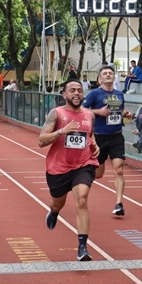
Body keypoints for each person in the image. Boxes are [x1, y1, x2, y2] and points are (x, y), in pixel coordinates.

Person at [39, 80, 100, 262]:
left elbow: (89, 134)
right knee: (58, 203)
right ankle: (54, 211)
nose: (77, 93)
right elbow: (41, 140)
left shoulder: (89, 115)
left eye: (80, 90)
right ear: (64, 94)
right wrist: (61, 132)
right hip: (58, 167)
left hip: (83, 163)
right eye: (72, 90)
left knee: (82, 199)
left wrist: (94, 145)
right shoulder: (56, 114)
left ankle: (82, 247)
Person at [82, 65, 134, 216]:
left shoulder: (119, 94)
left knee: (118, 168)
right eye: (105, 73)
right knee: (98, 174)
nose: (108, 75)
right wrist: (99, 112)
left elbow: (120, 109)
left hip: (116, 136)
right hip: (99, 137)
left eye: (110, 73)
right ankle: (82, 195)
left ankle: (119, 204)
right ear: (99, 79)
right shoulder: (94, 94)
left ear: (114, 77)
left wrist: (126, 113)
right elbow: (83, 110)